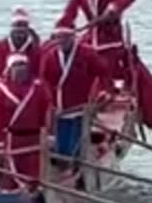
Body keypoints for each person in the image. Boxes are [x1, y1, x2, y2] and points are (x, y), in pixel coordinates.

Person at [38, 23, 110, 161]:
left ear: (73, 37)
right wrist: (48, 106)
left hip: (80, 109)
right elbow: (43, 83)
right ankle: (64, 165)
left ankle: (76, 166)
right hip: (58, 110)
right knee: (62, 148)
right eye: (59, 38)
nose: (62, 41)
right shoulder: (49, 57)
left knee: (75, 147)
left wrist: (103, 94)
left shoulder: (87, 54)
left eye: (65, 37)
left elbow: (104, 71)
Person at [57, 0, 137, 74]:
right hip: (92, 35)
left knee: (112, 65)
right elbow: (70, 12)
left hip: (111, 35)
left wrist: (114, 7)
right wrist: (62, 28)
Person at [0, 54, 55, 188]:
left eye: (23, 65)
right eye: (16, 66)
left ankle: (35, 196)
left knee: (33, 174)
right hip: (13, 140)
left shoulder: (39, 87)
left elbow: (48, 112)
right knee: (11, 175)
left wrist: (50, 134)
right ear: (9, 69)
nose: (20, 69)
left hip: (34, 140)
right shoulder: (1, 91)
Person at [0, 7, 43, 77]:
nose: (20, 29)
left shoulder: (36, 50)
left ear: (28, 29)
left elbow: (40, 76)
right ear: (12, 27)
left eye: (24, 25)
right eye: (17, 25)